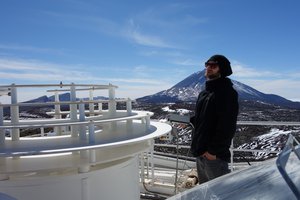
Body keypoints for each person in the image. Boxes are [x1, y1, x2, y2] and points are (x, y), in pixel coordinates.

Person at [190, 54, 239, 184]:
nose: (208, 68)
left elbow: (227, 126)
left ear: (221, 69)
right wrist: (190, 121)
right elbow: (204, 117)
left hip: (213, 156)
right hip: (200, 152)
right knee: (205, 190)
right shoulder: (204, 93)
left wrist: (212, 152)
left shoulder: (227, 93)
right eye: (207, 65)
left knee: (219, 193)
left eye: (213, 65)